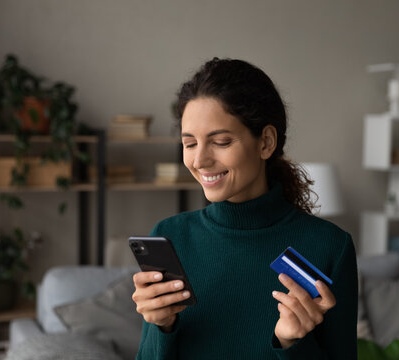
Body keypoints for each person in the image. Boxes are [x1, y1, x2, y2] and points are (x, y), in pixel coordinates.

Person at [131, 58, 358, 359]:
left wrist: (293, 345)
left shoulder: (330, 246)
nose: (199, 161)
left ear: (266, 142)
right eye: (189, 144)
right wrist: (161, 326)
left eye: (221, 142)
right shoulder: (170, 237)